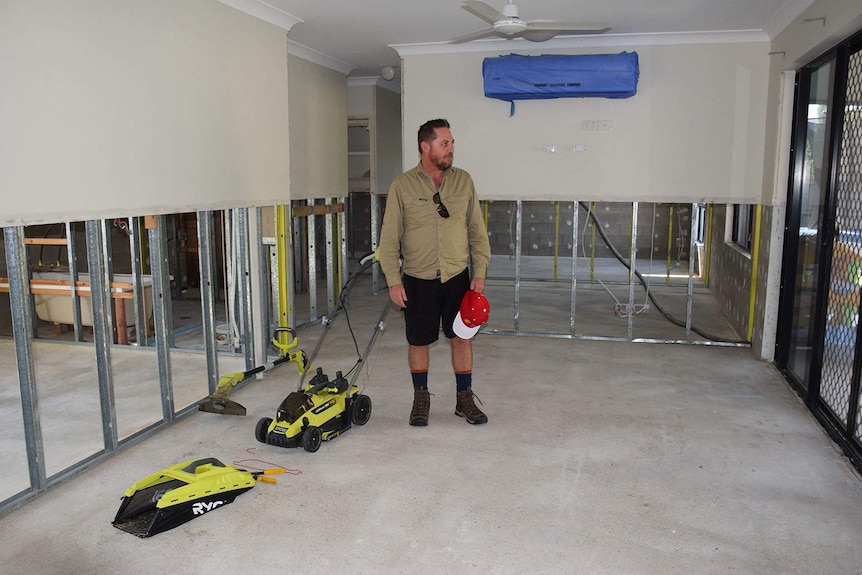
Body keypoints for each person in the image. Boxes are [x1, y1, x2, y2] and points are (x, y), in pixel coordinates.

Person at [377, 119, 492, 426]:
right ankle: (421, 398)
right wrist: (393, 281)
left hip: (457, 276)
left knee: (461, 338)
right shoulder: (402, 186)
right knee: (418, 340)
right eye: (445, 144)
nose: (450, 149)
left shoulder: (463, 181)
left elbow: (477, 231)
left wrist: (479, 271)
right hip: (418, 278)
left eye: (451, 143)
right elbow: (388, 240)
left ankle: (464, 398)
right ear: (425, 147)